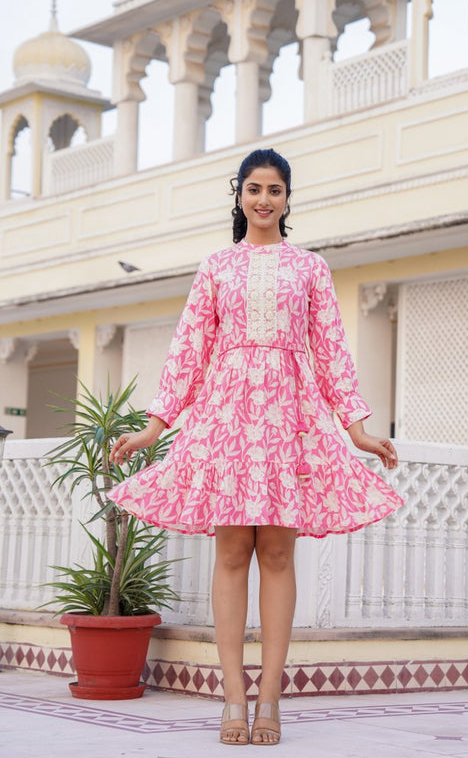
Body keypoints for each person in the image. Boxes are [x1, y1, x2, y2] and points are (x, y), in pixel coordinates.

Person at [109, 148, 403, 746]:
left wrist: (358, 430)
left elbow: (331, 353)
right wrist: (153, 428)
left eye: (274, 190)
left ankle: (270, 697)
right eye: (253, 189)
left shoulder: (311, 269)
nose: (263, 199)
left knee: (276, 555)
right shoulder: (217, 266)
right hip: (229, 418)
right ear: (238, 196)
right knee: (231, 554)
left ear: (288, 198)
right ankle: (233, 700)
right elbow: (188, 351)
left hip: (290, 420)